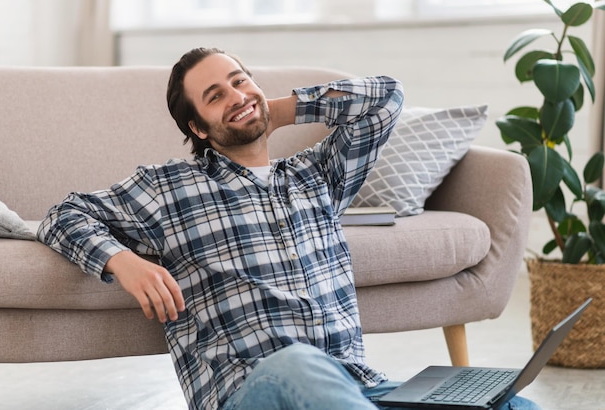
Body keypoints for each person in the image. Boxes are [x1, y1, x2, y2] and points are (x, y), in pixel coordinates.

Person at [37, 47, 541, 410]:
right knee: (300, 364)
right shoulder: (168, 188)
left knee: (509, 401)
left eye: (240, 80)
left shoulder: (317, 174)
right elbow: (64, 215)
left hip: (359, 387)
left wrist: (273, 110)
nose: (236, 95)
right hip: (251, 388)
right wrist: (123, 261)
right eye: (216, 97)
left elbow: (387, 99)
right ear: (197, 128)